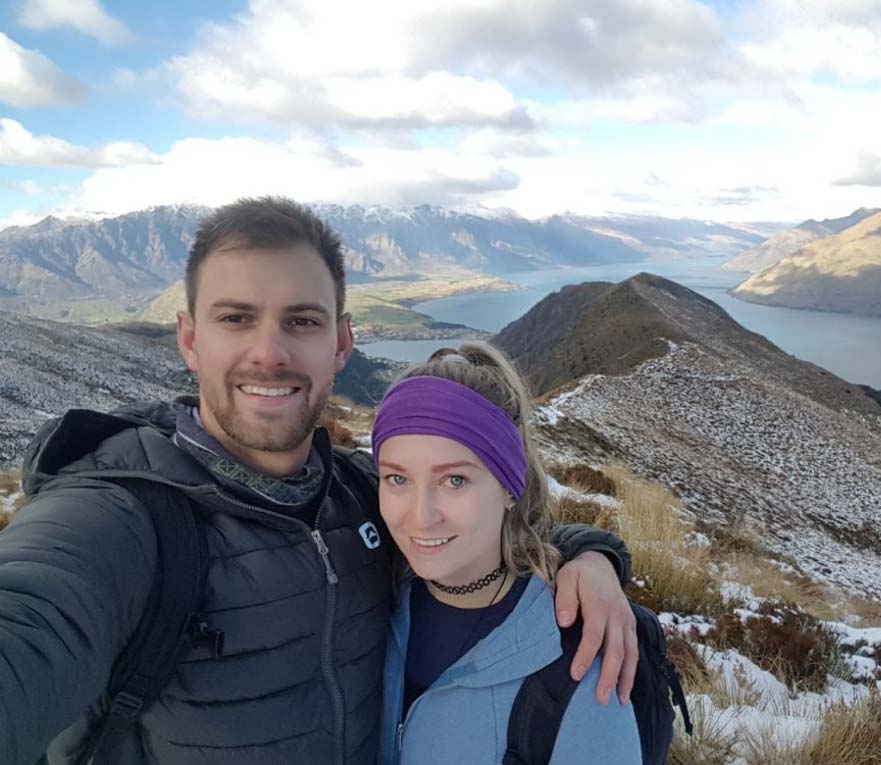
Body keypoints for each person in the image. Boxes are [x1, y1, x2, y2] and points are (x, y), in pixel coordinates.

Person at [0, 197, 639, 765]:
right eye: (236, 318)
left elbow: (481, 522)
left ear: (340, 343)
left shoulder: (362, 493)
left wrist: (591, 556)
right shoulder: (118, 513)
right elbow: (31, 617)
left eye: (301, 320)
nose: (270, 352)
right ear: (190, 340)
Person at [374, 344, 642, 764]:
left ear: (509, 488)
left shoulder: (578, 669)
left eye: (455, 481)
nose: (420, 517)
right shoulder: (366, 596)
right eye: (396, 478)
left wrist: (598, 559)